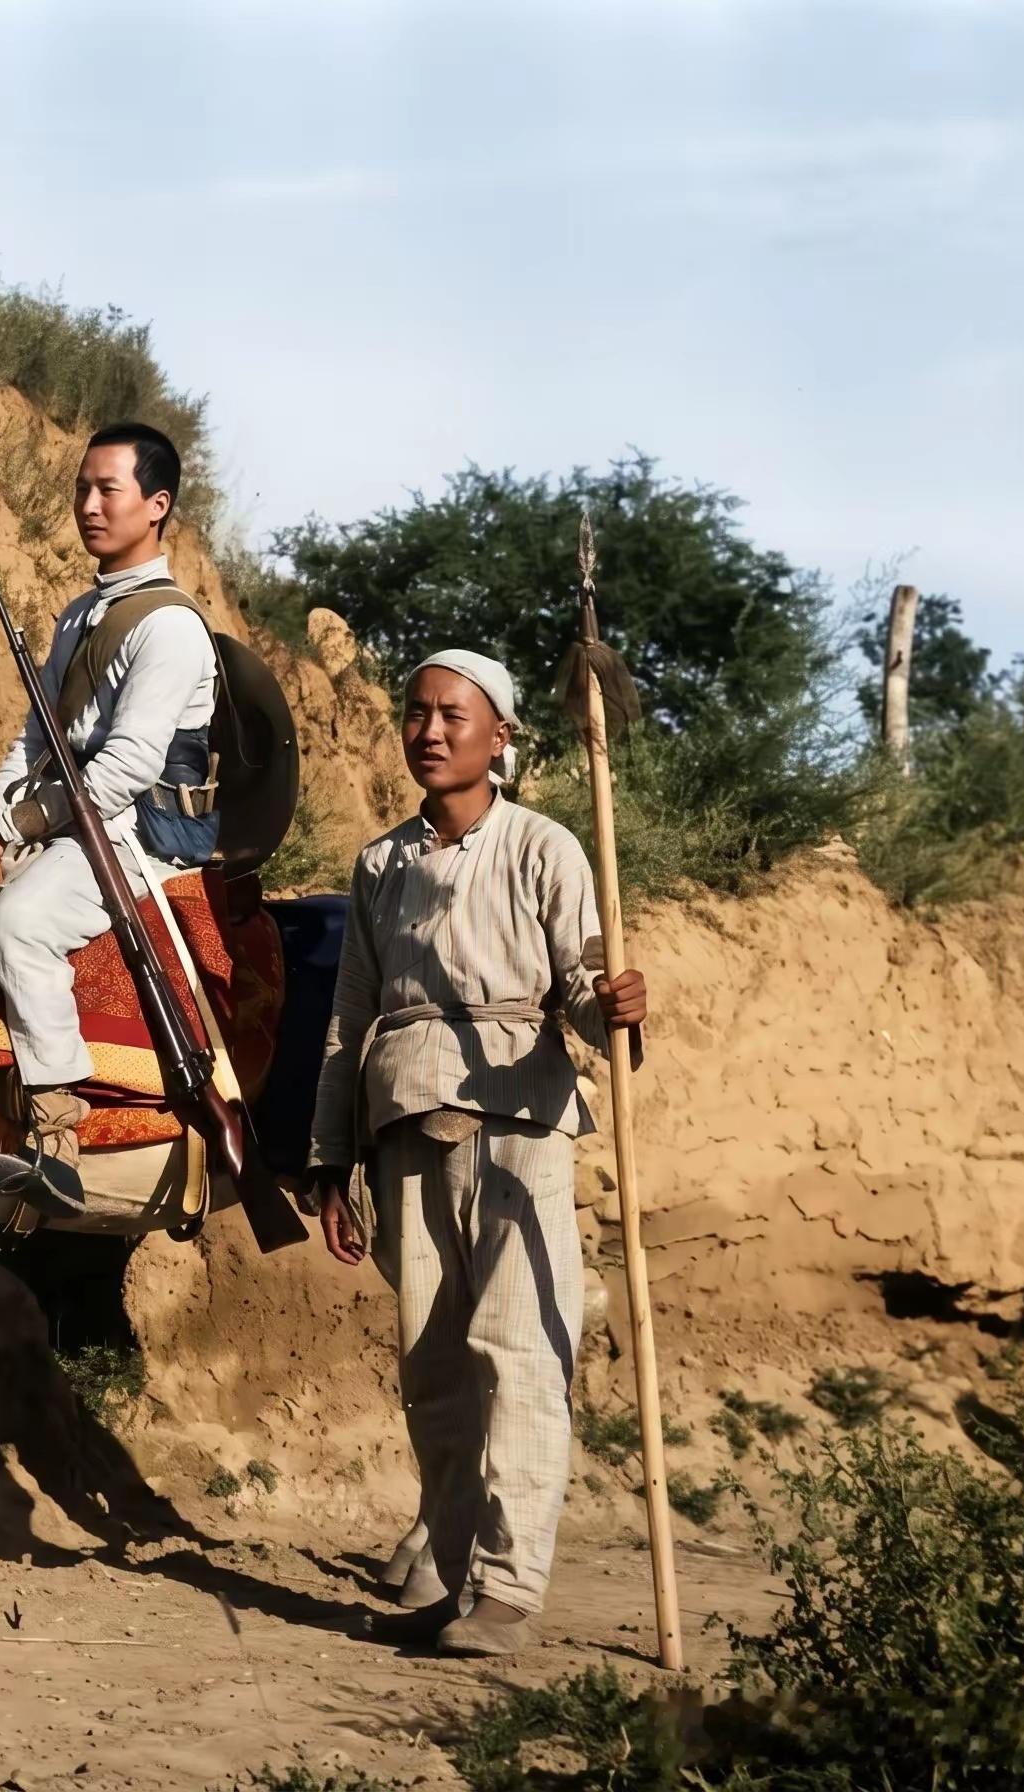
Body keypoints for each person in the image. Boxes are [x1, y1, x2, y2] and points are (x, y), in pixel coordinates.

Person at [301, 649, 648, 1657]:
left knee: (518, 1353)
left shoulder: (546, 847)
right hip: (405, 1123)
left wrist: (617, 1007)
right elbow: (350, 1017)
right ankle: (453, 1579)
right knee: (435, 1368)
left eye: (453, 715)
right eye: (417, 713)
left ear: (499, 737)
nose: (430, 731)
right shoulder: (380, 865)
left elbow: (583, 991)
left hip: (517, 1122)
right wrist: (331, 1157)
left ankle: (507, 1587)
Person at [0, 421, 220, 1216]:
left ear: (156, 505)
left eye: (108, 490)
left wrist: (17, 827)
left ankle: (57, 1134)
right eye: (82, 489)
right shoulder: (79, 616)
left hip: (139, 831)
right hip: (74, 816)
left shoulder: (169, 627)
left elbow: (126, 767)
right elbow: (37, 741)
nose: (89, 505)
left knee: (19, 926)